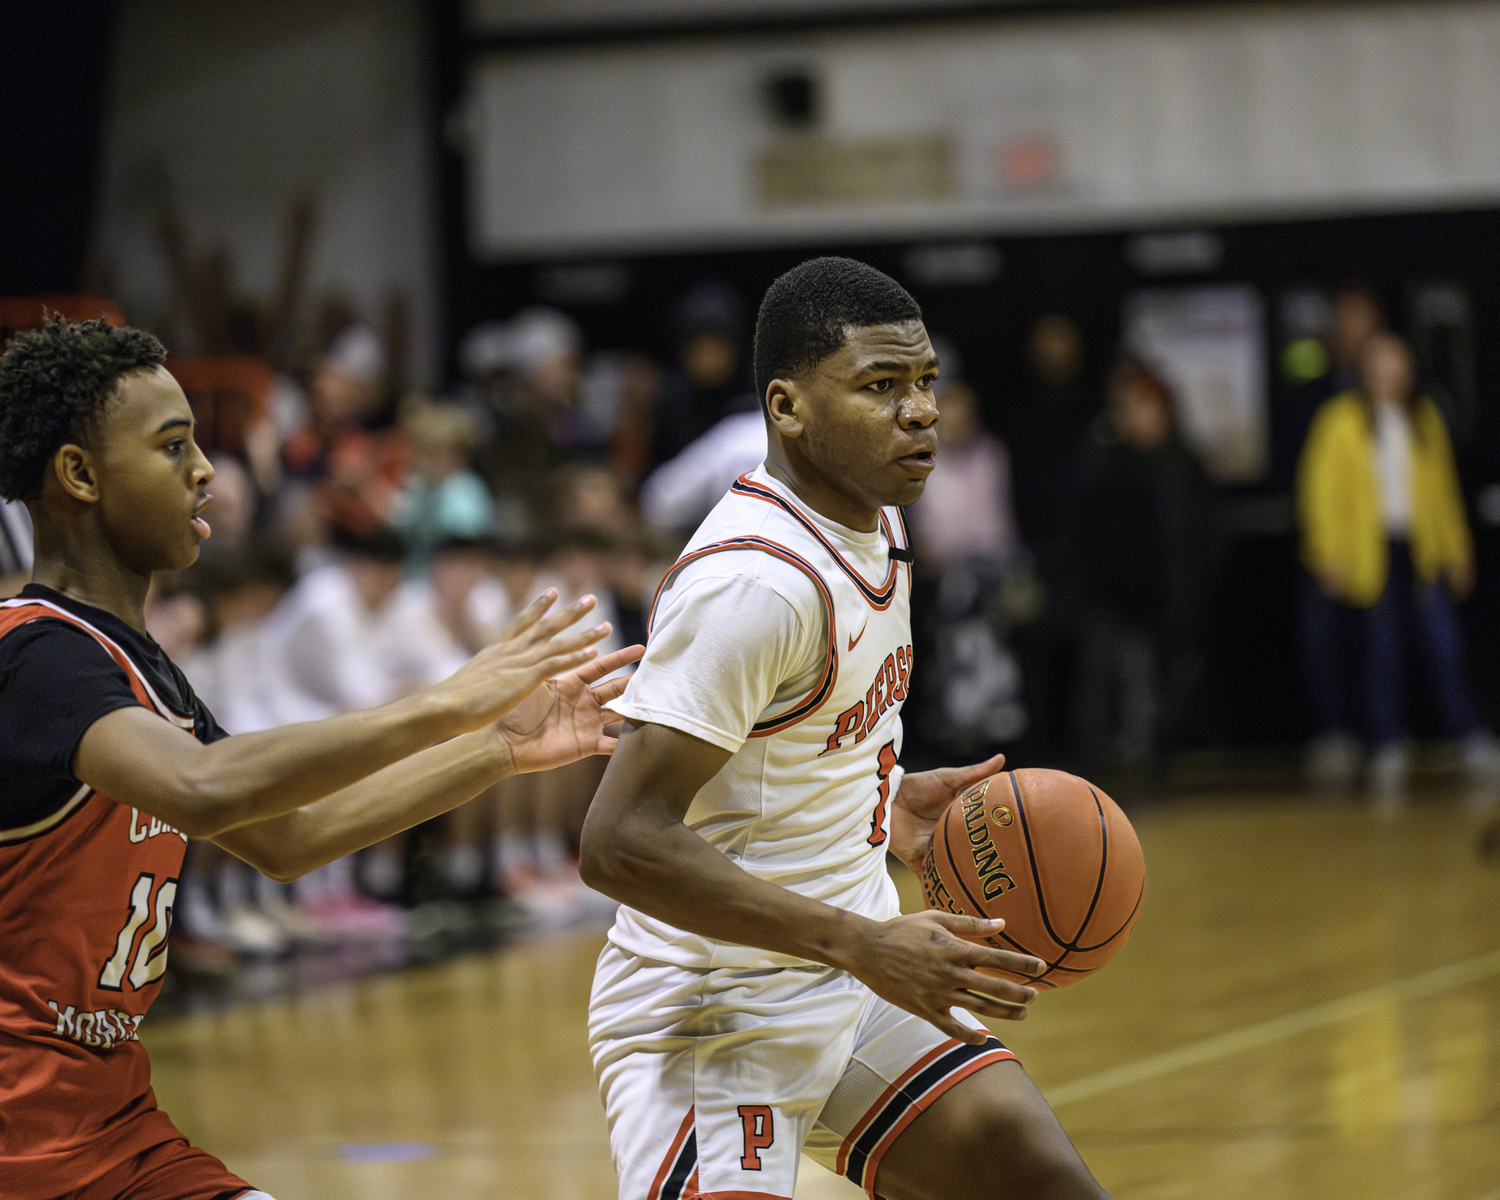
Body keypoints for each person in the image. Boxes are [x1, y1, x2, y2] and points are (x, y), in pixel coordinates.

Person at [0, 318, 642, 1200]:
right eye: (173, 446)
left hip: (115, 1123)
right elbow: (207, 789)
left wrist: (493, 749)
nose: (206, 473)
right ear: (79, 474)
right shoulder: (35, 654)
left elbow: (289, 837)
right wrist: (445, 704)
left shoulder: (140, 664)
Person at [580, 258, 1108, 1200]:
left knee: (1042, 1184)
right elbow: (619, 842)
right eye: (880, 386)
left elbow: (785, 745)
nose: (920, 412)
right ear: (787, 408)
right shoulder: (753, 584)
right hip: (716, 1015)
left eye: (925, 383)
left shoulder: (878, 522)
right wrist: (864, 945)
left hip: (849, 976)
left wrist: (879, 799)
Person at [1296, 330, 1497, 796]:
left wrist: (1457, 552)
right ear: (1366, 371)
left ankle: (1470, 738)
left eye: (1398, 364)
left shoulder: (1424, 418)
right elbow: (1318, 493)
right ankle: (1388, 745)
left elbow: (1443, 493)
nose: (1391, 373)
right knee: (1380, 654)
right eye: (1382, 364)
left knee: (1444, 648)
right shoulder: (1339, 422)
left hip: (1419, 553)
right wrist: (1328, 554)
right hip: (1372, 554)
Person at [1066, 358, 1215, 777]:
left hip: (1167, 605)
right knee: (1100, 697)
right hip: (1110, 602)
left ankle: (1154, 771)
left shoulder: (1184, 467)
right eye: (1126, 406)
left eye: (1143, 405)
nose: (1133, 415)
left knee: (1159, 701)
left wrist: (1189, 599)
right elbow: (1083, 534)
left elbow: (1200, 542)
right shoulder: (1102, 464)